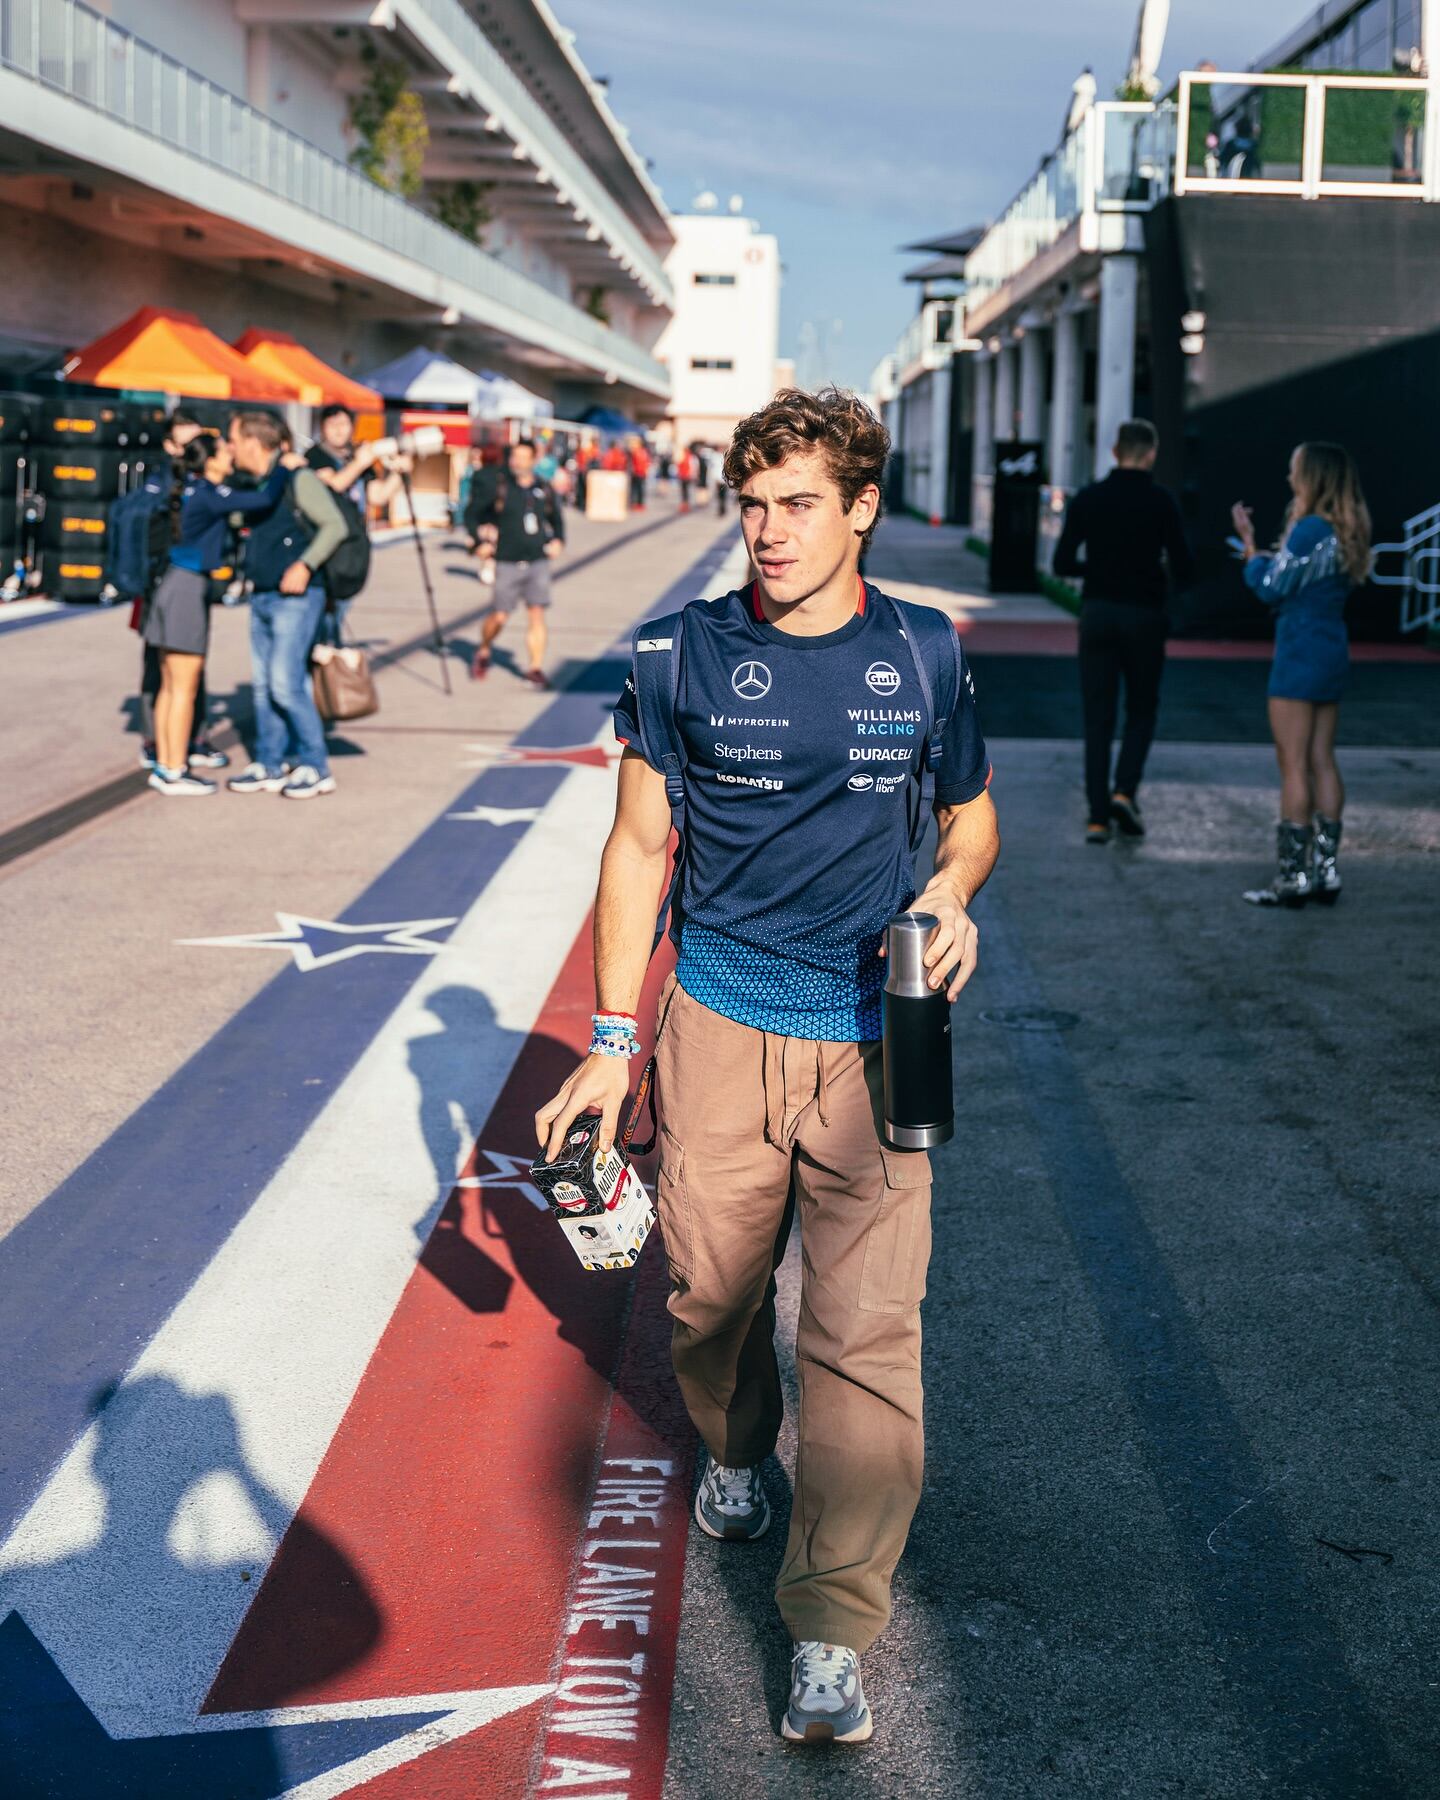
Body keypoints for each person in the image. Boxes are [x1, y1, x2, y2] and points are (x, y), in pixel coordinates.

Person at [535, 387, 999, 1745]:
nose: (770, 532)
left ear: (861, 507)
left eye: (799, 504)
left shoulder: (925, 655)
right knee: (706, 1306)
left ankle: (832, 1629)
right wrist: (613, 1047)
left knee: (865, 1341)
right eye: (753, 506)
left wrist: (955, 893)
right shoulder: (678, 654)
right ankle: (736, 1450)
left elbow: (970, 824)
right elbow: (636, 849)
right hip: (719, 1030)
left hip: (873, 1041)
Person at [1231, 442, 1370, 907]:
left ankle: (1293, 878)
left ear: (1311, 477)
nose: (1290, 479)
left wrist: (1251, 552)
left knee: (1293, 764)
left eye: (1294, 471)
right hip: (1332, 651)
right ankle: (1325, 871)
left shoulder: (1308, 529)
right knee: (1322, 759)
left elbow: (1272, 588)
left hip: (1298, 653)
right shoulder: (1346, 529)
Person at [1053, 418, 1195, 843]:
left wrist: (1096, 569)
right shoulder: (1162, 501)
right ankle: (1124, 791)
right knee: (1142, 709)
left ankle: (1097, 817)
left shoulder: (1089, 499)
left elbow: (1062, 563)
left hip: (1097, 614)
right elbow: (1185, 565)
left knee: (1098, 717)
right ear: (1151, 454)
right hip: (1144, 617)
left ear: (1115, 451)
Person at [143, 431, 295, 796]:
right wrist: (284, 470)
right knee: (184, 685)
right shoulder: (211, 494)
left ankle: (166, 764)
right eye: (224, 451)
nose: (231, 455)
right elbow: (264, 498)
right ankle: (176, 770)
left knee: (168, 683)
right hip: (187, 589)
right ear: (209, 459)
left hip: (170, 585)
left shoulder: (192, 489)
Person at [224, 412, 348, 801]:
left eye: (233, 440)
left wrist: (305, 563)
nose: (229, 448)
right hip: (262, 593)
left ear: (253, 443)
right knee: (264, 686)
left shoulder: (299, 479)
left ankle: (316, 765)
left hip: (297, 596)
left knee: (285, 681)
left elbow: (334, 525)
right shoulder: (257, 483)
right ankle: (270, 761)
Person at [129, 409, 228, 772]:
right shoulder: (163, 486)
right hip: (162, 585)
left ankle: (191, 737)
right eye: (187, 443)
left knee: (189, 668)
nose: (196, 449)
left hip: (182, 583)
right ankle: (158, 743)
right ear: (170, 445)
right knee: (163, 670)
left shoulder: (196, 484)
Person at [464, 438, 565, 687]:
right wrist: (479, 542)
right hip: (507, 560)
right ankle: (485, 648)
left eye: (522, 457)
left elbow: (557, 520)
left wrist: (558, 541)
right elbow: (471, 514)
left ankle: (535, 668)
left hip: (537, 560)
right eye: (514, 457)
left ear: (534, 460)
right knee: (499, 616)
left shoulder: (543, 488)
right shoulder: (500, 487)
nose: (516, 461)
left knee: (537, 614)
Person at [305, 404, 405, 516]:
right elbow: (335, 486)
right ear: (323, 429)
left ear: (352, 427)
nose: (338, 430)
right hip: (329, 530)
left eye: (343, 424)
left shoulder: (357, 454)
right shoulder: (314, 455)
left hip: (357, 529)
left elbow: (378, 496)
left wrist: (400, 472)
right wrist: (359, 463)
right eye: (332, 425)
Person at [628, 437, 650, 511]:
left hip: (639, 473)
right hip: (637, 473)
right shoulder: (639, 452)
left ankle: (639, 503)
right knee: (635, 489)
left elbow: (645, 463)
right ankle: (635, 503)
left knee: (639, 489)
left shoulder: (640, 452)